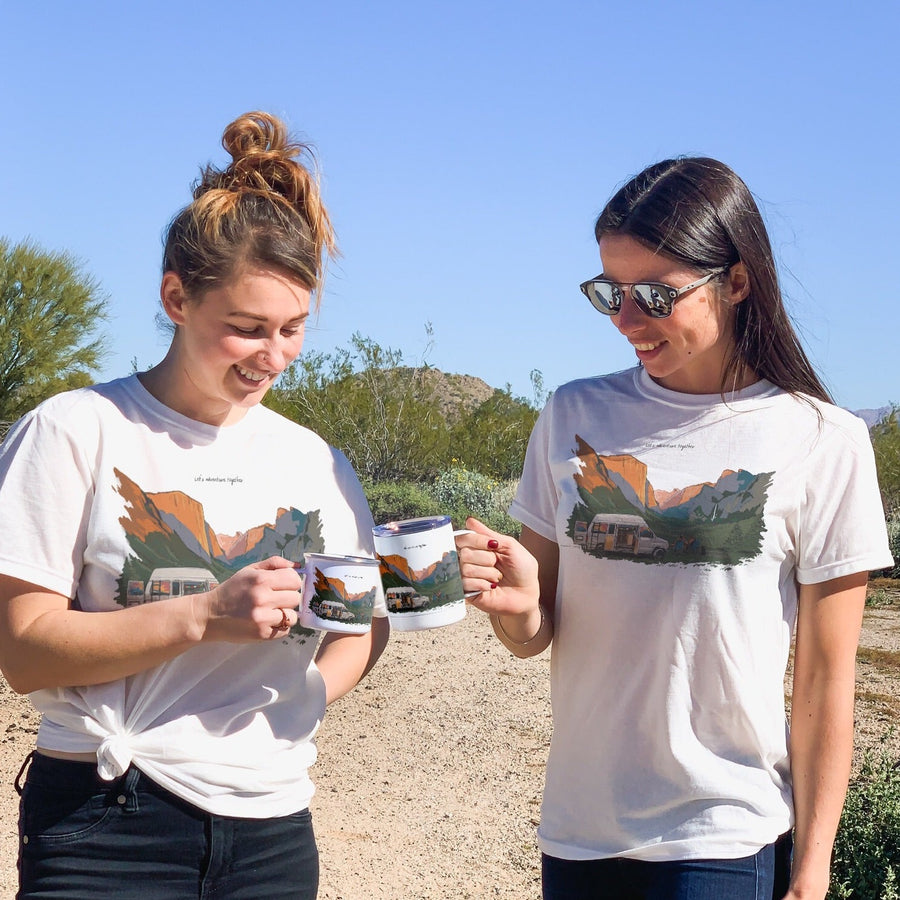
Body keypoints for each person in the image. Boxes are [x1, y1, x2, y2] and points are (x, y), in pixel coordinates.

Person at [456, 157, 893, 900]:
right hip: (579, 834)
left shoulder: (821, 438)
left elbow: (825, 682)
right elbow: (535, 633)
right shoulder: (571, 416)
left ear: (738, 281)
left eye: (656, 293)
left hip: (723, 836)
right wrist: (516, 605)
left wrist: (814, 870)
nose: (628, 319)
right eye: (611, 293)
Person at [0, 111, 389, 899]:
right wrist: (203, 615)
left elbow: (363, 624)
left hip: (274, 830)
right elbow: (23, 649)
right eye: (245, 329)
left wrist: (308, 692)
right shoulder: (75, 430)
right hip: (106, 822)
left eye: (292, 329)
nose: (272, 356)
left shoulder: (315, 461)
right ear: (177, 297)